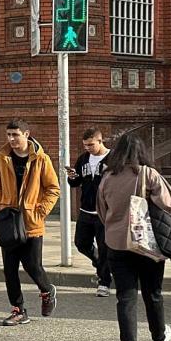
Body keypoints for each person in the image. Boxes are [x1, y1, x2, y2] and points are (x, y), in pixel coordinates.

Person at [97, 133, 171, 341]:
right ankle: (159, 339)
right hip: (147, 244)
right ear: (141, 151)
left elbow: (102, 212)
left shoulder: (107, 177)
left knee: (125, 296)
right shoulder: (148, 174)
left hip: (116, 244)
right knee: (153, 293)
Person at [0, 118, 59, 326]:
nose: (11, 139)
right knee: (9, 269)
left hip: (31, 221)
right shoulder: (2, 158)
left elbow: (53, 188)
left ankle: (47, 290)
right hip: (9, 221)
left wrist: (40, 211)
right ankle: (18, 310)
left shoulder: (41, 159)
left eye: (15, 135)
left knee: (33, 266)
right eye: (9, 135)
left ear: (26, 134)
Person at [67, 127, 113, 297]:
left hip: (105, 211)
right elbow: (76, 183)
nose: (88, 148)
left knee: (104, 247)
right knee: (81, 243)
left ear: (101, 141)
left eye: (91, 145)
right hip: (85, 209)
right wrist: (72, 177)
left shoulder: (113, 159)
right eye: (85, 145)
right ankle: (99, 263)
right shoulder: (83, 159)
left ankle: (104, 283)